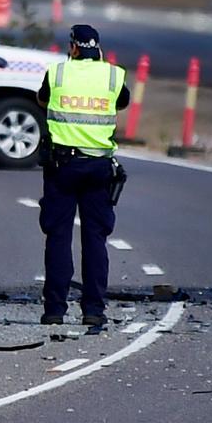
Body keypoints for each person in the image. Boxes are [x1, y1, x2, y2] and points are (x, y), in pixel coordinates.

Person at [36, 24, 130, 326]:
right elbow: (122, 102)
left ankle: (54, 310)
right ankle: (93, 310)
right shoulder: (113, 75)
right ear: (98, 48)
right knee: (95, 238)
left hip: (62, 166)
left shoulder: (58, 73)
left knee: (58, 236)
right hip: (99, 168)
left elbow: (42, 99)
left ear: (74, 47)